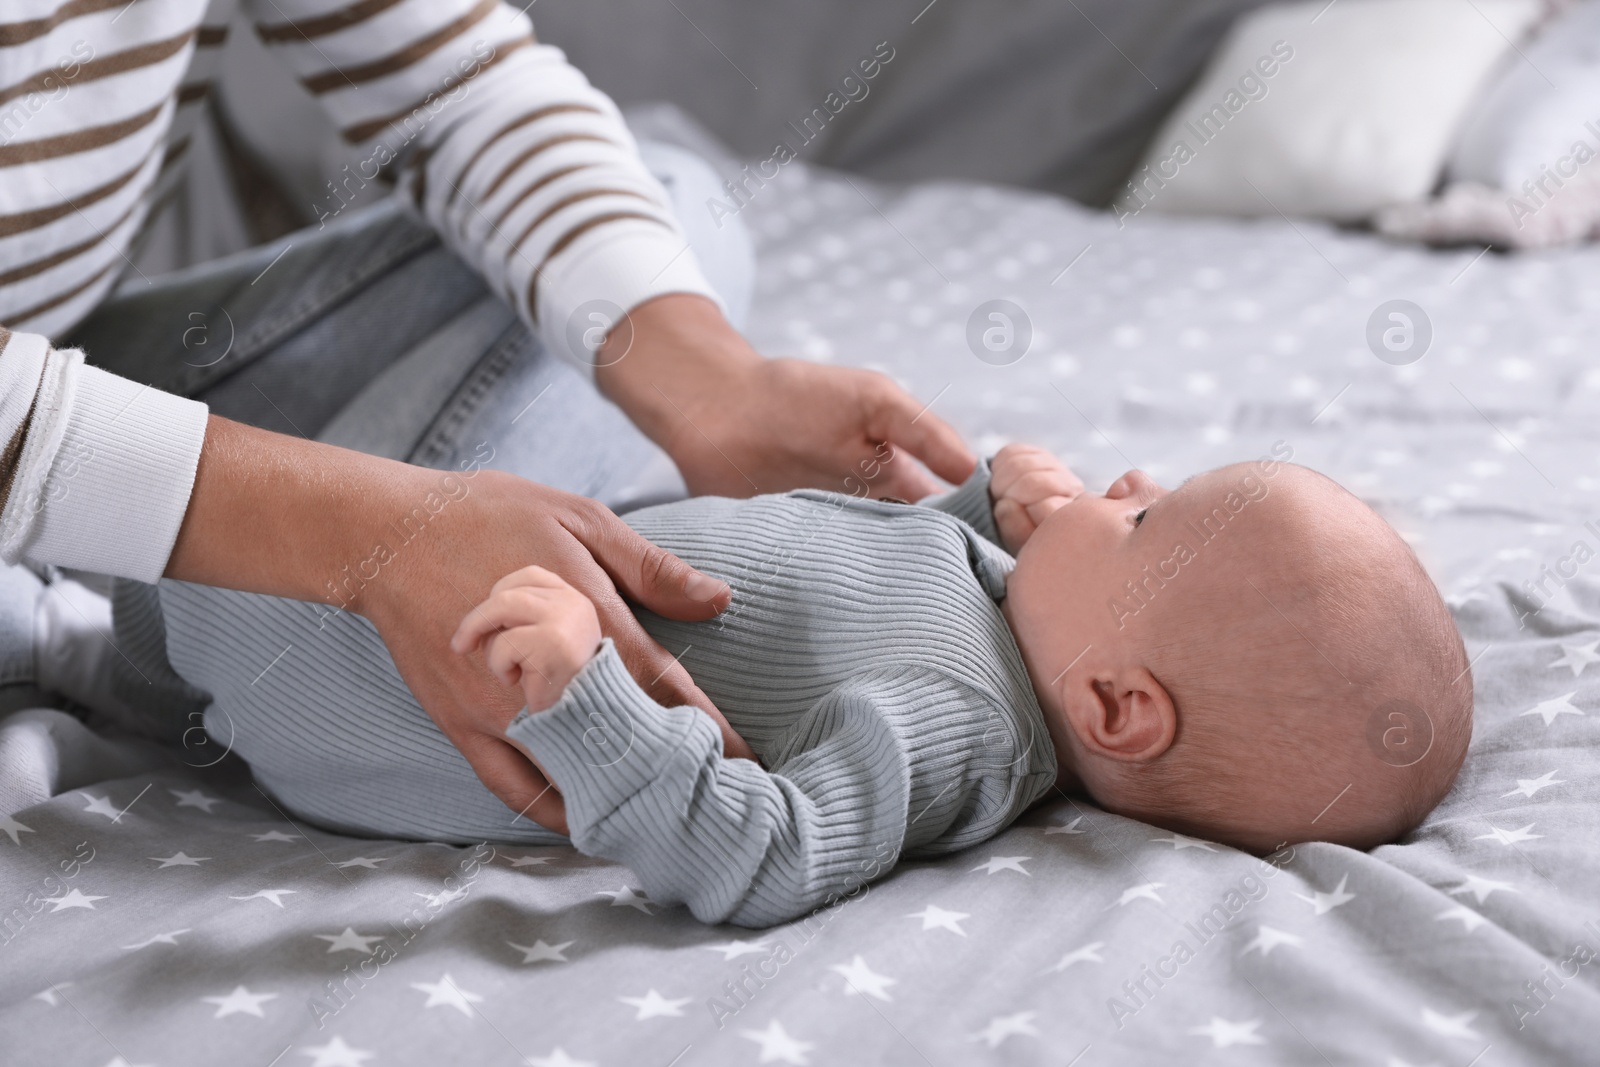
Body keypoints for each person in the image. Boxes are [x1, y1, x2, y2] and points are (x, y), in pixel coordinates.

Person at [0, 0, 974, 831]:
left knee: (672, 214)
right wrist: (371, 529)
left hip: (54, 371)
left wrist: (713, 384)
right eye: (1138, 516)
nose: (1131, 482)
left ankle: (230, 649)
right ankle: (255, 667)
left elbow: (465, 90)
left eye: (1133, 515)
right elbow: (757, 843)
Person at [152, 443, 1473, 927]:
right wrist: (985, 498)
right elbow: (885, 560)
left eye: (1145, 521)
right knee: (152, 599)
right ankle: (99, 639)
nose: (1124, 481)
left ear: (1118, 706)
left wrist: (581, 699)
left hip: (391, 682)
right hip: (383, 585)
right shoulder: (1016, 610)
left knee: (181, 584)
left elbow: (763, 851)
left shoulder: (956, 721)